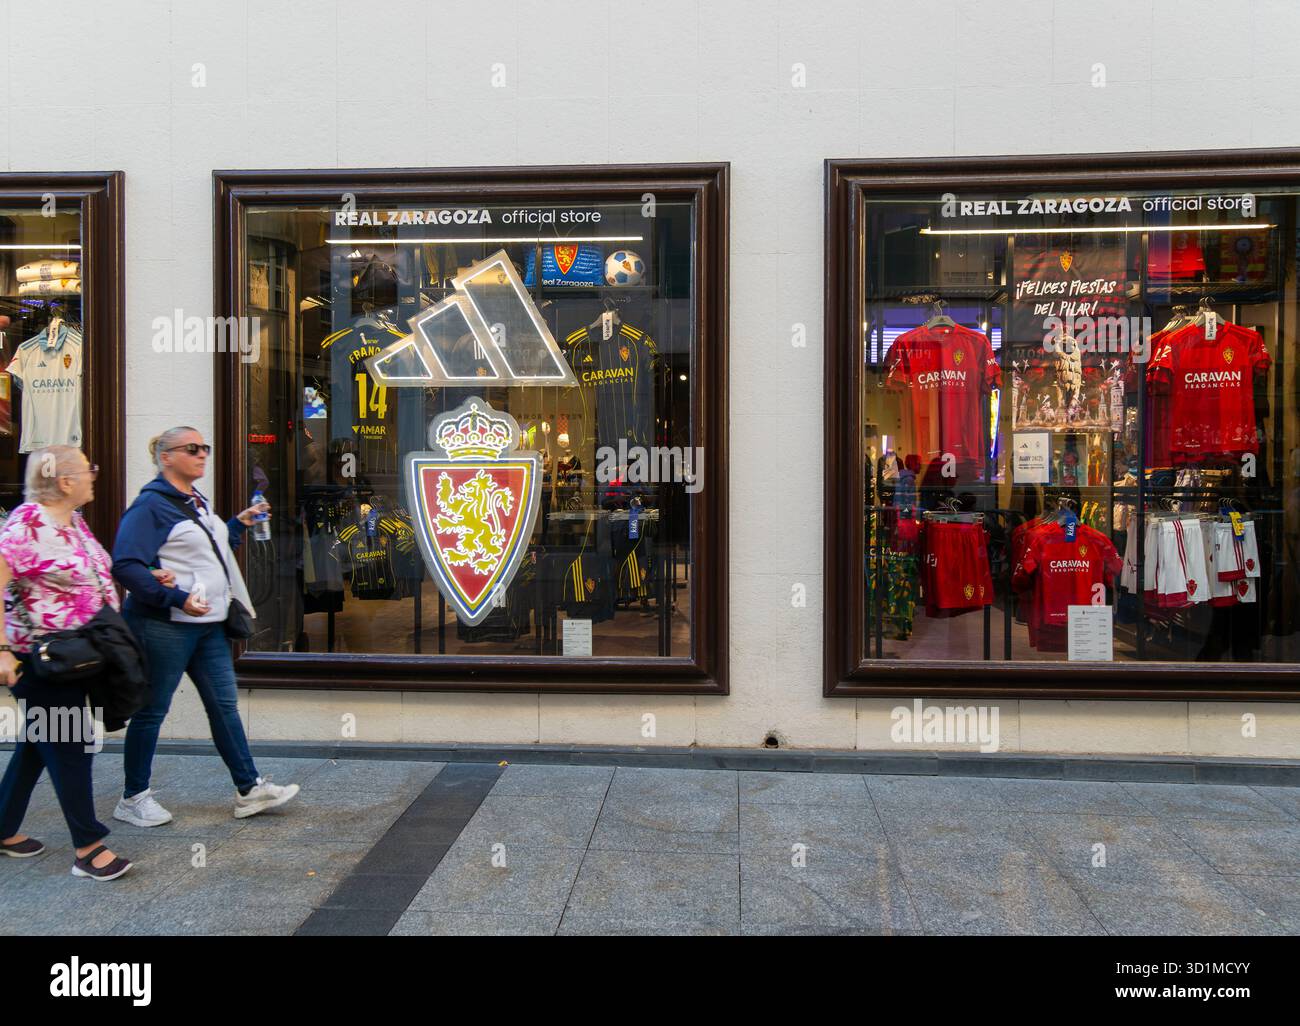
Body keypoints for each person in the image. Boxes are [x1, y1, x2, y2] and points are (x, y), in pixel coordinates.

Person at [112, 426, 300, 825]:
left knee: (224, 705)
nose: (202, 455)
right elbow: (126, 564)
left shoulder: (194, 500)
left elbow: (212, 553)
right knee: (152, 710)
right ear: (166, 457)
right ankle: (133, 797)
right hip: (166, 625)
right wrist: (176, 598)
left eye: (205, 448)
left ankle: (249, 789)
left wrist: (238, 524)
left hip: (208, 625)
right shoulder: (150, 506)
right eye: (192, 448)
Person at [0, 446, 133, 880]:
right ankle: (88, 848)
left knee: (39, 747)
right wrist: (1, 650)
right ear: (64, 481)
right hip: (41, 660)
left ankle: (2, 828)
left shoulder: (70, 519)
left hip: (79, 653)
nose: (94, 474)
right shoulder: (25, 525)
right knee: (71, 744)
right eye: (86, 469)